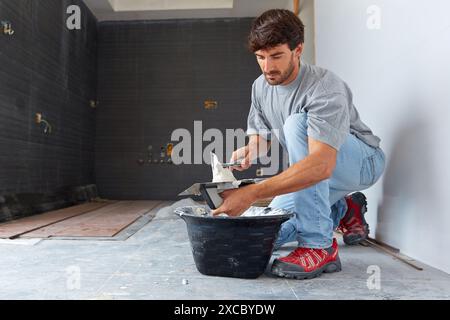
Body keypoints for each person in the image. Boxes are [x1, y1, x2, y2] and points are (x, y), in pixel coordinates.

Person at [211, 9, 386, 280]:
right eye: (261, 57)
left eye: (276, 56)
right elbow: (262, 138)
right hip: (320, 171)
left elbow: (319, 165)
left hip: (362, 163)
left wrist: (252, 193)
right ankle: (341, 207)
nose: (268, 67)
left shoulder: (324, 87)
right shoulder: (261, 87)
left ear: (298, 50)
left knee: (296, 124)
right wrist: (250, 149)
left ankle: (318, 247)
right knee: (270, 233)